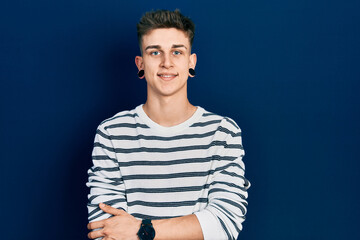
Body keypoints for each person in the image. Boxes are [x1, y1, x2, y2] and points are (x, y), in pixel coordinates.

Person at [86, 9, 250, 240]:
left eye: (177, 52)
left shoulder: (223, 133)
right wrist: (191, 227)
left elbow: (224, 223)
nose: (166, 63)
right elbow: (105, 231)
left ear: (191, 62)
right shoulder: (111, 133)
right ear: (140, 64)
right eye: (155, 52)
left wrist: (141, 230)